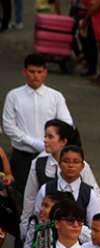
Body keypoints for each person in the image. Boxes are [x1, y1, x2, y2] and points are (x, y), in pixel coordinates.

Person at [2, 54, 73, 192]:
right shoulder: (14, 96)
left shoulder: (55, 96)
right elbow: (8, 126)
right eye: (32, 72)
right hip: (22, 156)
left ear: (45, 73)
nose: (35, 76)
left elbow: (67, 123)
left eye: (39, 72)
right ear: (24, 72)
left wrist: (51, 143)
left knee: (50, 193)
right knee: (20, 194)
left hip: (49, 156)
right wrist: (34, 142)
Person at [20, 120, 99, 242]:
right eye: (45, 136)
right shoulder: (38, 165)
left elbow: (94, 196)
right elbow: (30, 200)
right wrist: (25, 232)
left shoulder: (83, 169)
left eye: (50, 137)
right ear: (60, 166)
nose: (45, 140)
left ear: (63, 141)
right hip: (48, 238)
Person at [34, 145, 100, 229]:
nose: (71, 165)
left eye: (76, 162)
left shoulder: (89, 194)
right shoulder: (46, 189)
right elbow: (37, 219)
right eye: (66, 161)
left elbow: (94, 226)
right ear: (59, 164)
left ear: (82, 166)